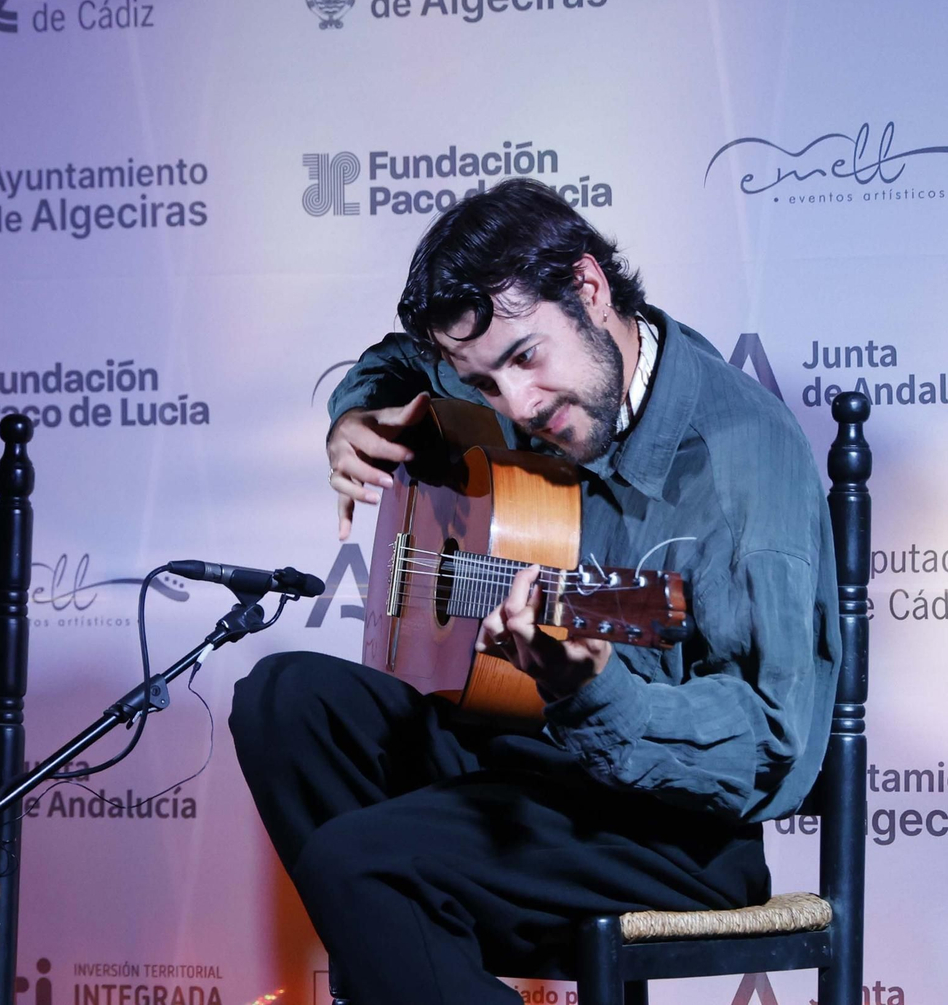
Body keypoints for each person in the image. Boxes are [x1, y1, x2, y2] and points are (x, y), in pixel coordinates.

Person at [228, 178, 841, 1003]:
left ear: (589, 288)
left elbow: (770, 745)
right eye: (483, 384)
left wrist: (593, 691)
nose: (516, 403)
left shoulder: (741, 463)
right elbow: (403, 361)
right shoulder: (510, 374)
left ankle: (405, 947)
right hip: (526, 767)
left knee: (357, 862)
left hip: (674, 833)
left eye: (525, 358)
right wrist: (354, 413)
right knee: (283, 697)